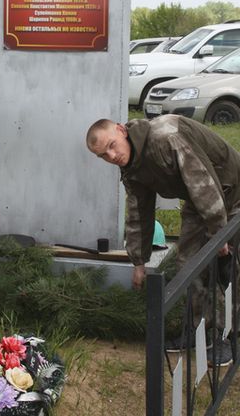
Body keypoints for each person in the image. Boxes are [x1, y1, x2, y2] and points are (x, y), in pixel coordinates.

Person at [86, 114, 240, 363]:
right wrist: (138, 262)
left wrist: (218, 233)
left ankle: (229, 337)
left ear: (121, 130)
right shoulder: (131, 167)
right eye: (103, 155)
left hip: (230, 189)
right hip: (198, 199)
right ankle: (200, 328)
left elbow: (203, 182)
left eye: (112, 146)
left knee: (229, 265)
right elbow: (138, 213)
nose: (112, 156)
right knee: (187, 264)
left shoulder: (167, 137)